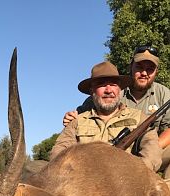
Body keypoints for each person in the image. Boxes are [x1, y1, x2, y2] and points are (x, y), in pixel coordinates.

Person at [62, 45, 170, 177]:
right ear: (131, 67)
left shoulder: (164, 94)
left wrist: (149, 148)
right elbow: (80, 116)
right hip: (114, 151)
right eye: (139, 67)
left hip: (147, 148)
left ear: (156, 71)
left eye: (149, 69)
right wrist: (71, 118)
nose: (144, 73)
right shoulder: (113, 91)